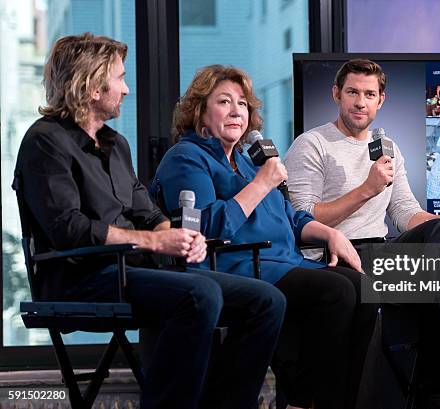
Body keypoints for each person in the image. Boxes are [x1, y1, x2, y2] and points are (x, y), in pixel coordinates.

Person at [15, 33, 286, 409]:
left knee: (266, 300)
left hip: (133, 271)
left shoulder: (114, 143)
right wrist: (155, 242)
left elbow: (147, 210)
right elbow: (68, 230)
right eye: (120, 78)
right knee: (199, 294)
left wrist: (173, 235)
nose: (126, 89)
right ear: (93, 85)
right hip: (79, 277)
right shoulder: (44, 142)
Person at [285, 59, 440, 408]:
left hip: (380, 252)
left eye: (369, 94)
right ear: (336, 94)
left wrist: (439, 225)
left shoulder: (390, 149)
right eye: (352, 92)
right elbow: (301, 219)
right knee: (434, 280)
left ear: (380, 100)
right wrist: (366, 189)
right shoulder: (312, 145)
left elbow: (403, 211)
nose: (360, 102)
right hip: (334, 258)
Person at [151, 64, 378, 409]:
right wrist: (261, 184)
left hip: (284, 262)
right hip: (238, 267)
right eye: (224, 102)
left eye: (241, 104)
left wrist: (329, 233)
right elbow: (204, 229)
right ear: (199, 111)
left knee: (364, 290)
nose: (236, 111)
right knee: (336, 292)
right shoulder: (186, 158)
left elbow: (291, 216)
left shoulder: (246, 162)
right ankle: (302, 401)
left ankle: (337, 401)